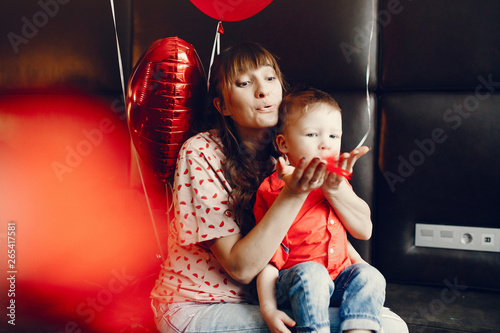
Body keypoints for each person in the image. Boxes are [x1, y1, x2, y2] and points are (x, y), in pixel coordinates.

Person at [150, 42, 408, 333]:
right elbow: (241, 268)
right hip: (203, 305)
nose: (263, 91)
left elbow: (334, 231)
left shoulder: (292, 149)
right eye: (245, 83)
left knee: (386, 322)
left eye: (270, 78)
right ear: (222, 105)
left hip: (276, 294)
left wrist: (360, 274)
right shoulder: (201, 152)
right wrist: (294, 193)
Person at [254, 87, 386, 333]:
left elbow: (353, 235)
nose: (326, 144)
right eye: (312, 134)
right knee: (313, 273)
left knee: (372, 276)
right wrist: (269, 307)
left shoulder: (336, 182)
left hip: (336, 282)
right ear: (283, 143)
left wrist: (363, 270)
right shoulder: (274, 190)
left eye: (334, 137)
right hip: (294, 283)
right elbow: (267, 259)